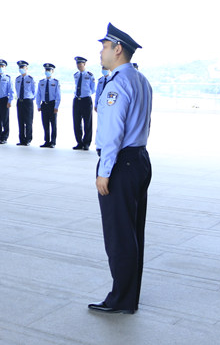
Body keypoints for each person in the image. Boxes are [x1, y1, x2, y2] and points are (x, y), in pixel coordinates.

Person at [89, 23, 153, 315]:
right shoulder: (142, 80)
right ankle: (129, 296)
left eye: (104, 47)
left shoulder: (116, 84)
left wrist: (105, 170)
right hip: (139, 159)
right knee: (133, 232)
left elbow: (113, 132)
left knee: (118, 235)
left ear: (118, 49)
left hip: (120, 164)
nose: (100, 52)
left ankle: (120, 299)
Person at [73, 56, 96, 151]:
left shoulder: (89, 75)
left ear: (84, 64)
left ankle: (86, 143)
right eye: (77, 63)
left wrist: (86, 94)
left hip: (86, 100)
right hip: (76, 100)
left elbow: (93, 89)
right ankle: (79, 142)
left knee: (87, 122)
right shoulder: (75, 75)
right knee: (76, 122)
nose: (78, 65)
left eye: (80, 63)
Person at [36, 63, 60, 148]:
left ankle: (53, 142)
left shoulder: (55, 82)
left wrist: (56, 106)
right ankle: (46, 141)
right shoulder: (41, 82)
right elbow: (38, 94)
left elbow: (58, 95)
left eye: (49, 70)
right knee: (45, 124)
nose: (47, 72)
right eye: (46, 70)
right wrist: (38, 105)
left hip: (52, 104)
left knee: (53, 124)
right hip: (44, 105)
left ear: (52, 71)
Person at [14, 60, 35, 146]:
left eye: (23, 67)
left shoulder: (30, 79)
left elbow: (34, 91)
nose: (21, 69)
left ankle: (28, 140)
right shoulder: (17, 79)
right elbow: (16, 89)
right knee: (20, 120)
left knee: (28, 121)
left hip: (28, 101)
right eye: (20, 67)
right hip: (20, 101)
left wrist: (30, 98)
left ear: (26, 68)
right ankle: (21, 139)